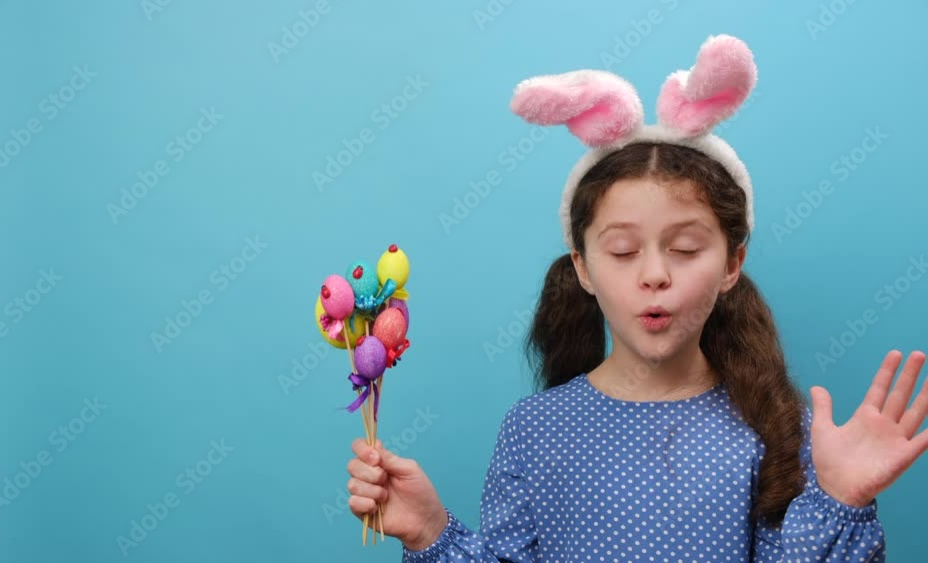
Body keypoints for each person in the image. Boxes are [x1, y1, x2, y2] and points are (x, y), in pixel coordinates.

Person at [344, 34, 928, 561]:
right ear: (583, 267)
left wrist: (839, 503)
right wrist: (429, 531)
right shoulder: (535, 428)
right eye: (623, 251)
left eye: (684, 248)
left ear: (733, 262)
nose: (654, 275)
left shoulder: (778, 430)